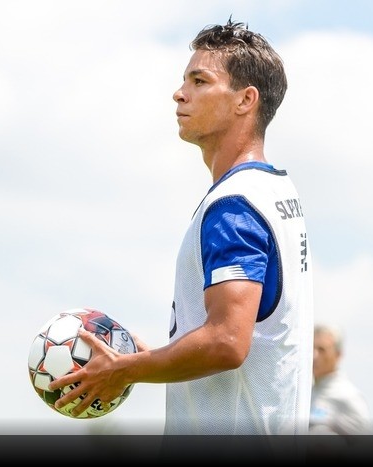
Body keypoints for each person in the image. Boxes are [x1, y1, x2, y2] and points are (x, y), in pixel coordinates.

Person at [49, 18, 314, 440]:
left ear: (245, 100)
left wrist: (125, 370)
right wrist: (154, 357)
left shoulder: (234, 206)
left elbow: (228, 341)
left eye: (199, 80)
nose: (179, 92)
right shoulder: (274, 189)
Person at [310, 323, 373, 436]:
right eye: (312, 348)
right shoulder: (305, 392)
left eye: (322, 350)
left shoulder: (347, 396)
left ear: (338, 355)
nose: (314, 356)